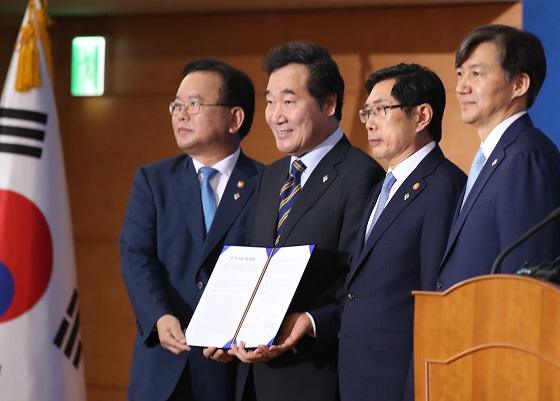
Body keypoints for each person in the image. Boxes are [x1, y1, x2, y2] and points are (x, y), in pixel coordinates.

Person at [216, 41, 385, 401]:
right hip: (252, 376)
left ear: (329, 103)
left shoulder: (362, 175)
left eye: (289, 101)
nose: (275, 115)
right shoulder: (271, 176)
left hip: (314, 377)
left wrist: (308, 322)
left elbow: (361, 285)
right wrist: (225, 326)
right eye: (270, 101)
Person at [119, 58, 264, 401]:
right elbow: (135, 254)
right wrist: (157, 316)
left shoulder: (267, 183)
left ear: (235, 118)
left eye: (194, 104)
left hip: (233, 367)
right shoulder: (153, 180)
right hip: (164, 363)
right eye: (176, 105)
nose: (180, 114)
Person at [336, 63, 466, 401]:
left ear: (422, 116)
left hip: (398, 384)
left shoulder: (444, 187)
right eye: (367, 112)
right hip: (357, 377)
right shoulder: (384, 185)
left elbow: (435, 303)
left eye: (381, 110)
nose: (370, 122)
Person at [437, 24, 560, 291]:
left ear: (519, 84)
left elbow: (527, 281)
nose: (461, 87)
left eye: (476, 73)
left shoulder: (526, 158)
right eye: (460, 74)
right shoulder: (495, 157)